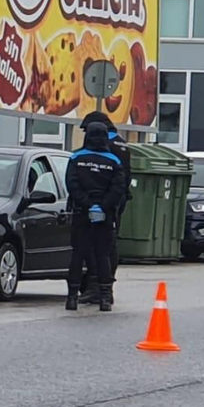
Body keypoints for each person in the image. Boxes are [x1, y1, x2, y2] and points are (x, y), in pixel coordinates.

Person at [65, 121, 126, 312]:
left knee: (78, 254)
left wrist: (87, 204)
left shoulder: (76, 158)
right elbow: (118, 188)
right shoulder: (114, 161)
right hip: (105, 216)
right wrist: (102, 207)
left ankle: (72, 297)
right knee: (103, 255)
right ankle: (105, 298)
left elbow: (72, 185)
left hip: (81, 213)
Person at [77, 111, 131, 304]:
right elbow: (124, 178)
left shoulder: (103, 143)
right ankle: (105, 288)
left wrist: (94, 203)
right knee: (109, 245)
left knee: (95, 246)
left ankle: (96, 288)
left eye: (86, 130)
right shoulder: (121, 143)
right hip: (116, 201)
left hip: (99, 203)